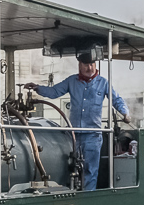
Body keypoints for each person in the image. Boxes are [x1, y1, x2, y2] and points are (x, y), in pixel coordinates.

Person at [24, 51, 131, 192]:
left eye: (92, 64)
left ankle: (87, 202)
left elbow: (116, 99)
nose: (90, 68)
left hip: (93, 135)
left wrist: (125, 112)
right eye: (86, 65)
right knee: (70, 168)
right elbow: (54, 91)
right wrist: (37, 88)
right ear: (80, 65)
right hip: (73, 136)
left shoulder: (103, 83)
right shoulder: (71, 81)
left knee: (90, 171)